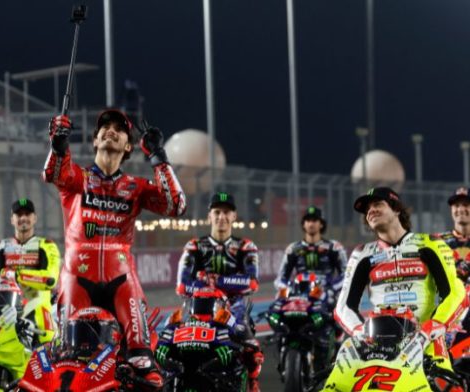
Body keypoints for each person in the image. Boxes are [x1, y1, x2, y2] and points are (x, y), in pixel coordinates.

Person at [43, 109, 186, 389]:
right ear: (95, 141)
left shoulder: (135, 187)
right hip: (76, 278)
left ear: (129, 145)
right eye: (104, 128)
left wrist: (158, 157)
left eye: (119, 129)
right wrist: (58, 144)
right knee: (67, 359)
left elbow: (176, 206)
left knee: (144, 364)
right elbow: (53, 173)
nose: (110, 130)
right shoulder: (76, 178)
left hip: (121, 279)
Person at [335, 187, 466, 376]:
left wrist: (433, 328)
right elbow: (344, 307)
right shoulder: (361, 253)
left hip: (426, 340)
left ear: (396, 209)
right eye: (367, 209)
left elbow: (455, 293)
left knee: (447, 383)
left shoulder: (430, 243)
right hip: (377, 342)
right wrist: (361, 333)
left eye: (378, 204)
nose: (371, 210)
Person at [175, 192, 263, 392]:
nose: (221, 217)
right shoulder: (194, 246)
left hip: (234, 308)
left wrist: (214, 280)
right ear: (209, 216)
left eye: (227, 212)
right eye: (217, 212)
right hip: (196, 307)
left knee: (251, 345)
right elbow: (182, 285)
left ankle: (252, 381)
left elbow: (252, 283)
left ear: (234, 216)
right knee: (170, 340)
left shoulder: (246, 246)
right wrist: (213, 287)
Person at [0, 198, 61, 344]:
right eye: (19, 215)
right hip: (4, 311)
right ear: (12, 219)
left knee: (48, 349)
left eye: (28, 214)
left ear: (35, 218)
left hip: (40, 310)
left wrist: (15, 275)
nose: (23, 218)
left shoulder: (47, 245)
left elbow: (50, 280)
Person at [274, 206, 348, 310]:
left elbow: (347, 275)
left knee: (340, 303)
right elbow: (280, 278)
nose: (311, 224)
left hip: (326, 294)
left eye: (315, 220)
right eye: (308, 220)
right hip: (299, 294)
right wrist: (288, 288)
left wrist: (332, 289)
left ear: (321, 224)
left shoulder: (334, 247)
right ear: (303, 224)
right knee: (278, 302)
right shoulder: (293, 248)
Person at [432, 187, 470, 351]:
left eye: (466, 204)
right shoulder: (438, 241)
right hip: (446, 307)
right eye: (456, 205)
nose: (461, 209)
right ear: (451, 210)